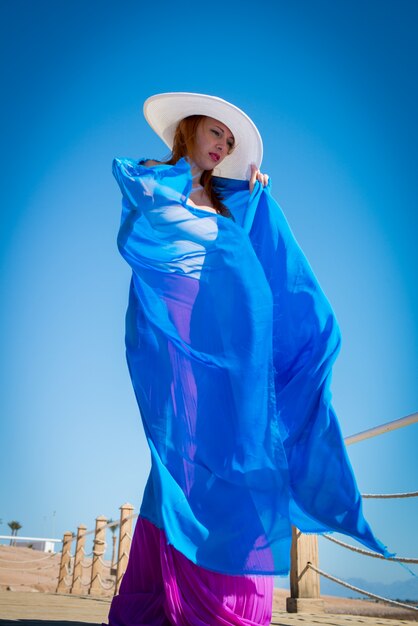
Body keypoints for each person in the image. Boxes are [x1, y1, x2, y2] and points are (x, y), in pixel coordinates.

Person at [105, 93, 390, 626]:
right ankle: (179, 591)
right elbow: (146, 225)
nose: (222, 146)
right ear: (189, 129)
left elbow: (262, 260)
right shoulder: (155, 183)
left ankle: (233, 599)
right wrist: (183, 184)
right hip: (187, 350)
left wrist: (254, 196)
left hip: (238, 354)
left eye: (229, 143)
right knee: (184, 457)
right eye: (216, 133)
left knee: (241, 453)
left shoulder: (232, 203)